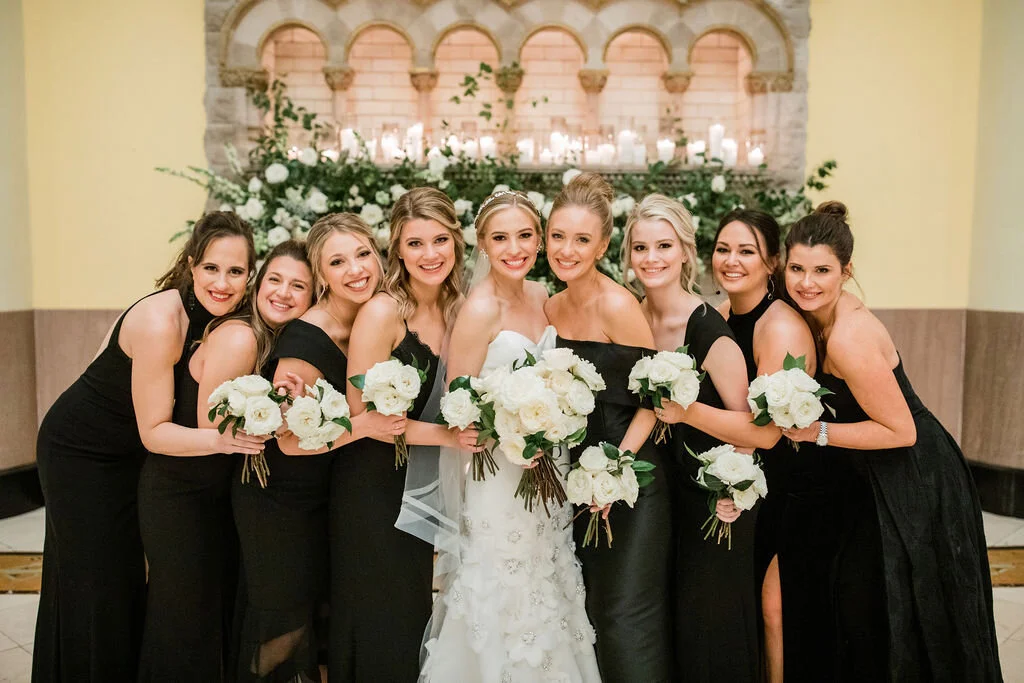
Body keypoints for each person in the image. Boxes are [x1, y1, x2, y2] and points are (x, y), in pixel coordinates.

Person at [781, 201, 1002, 682]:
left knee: (914, 608)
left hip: (914, 475)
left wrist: (813, 431)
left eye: (822, 270)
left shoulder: (848, 336)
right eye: (797, 268)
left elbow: (902, 431)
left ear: (846, 271)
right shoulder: (822, 312)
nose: (806, 282)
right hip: (881, 470)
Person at [33, 211, 258, 683]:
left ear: (249, 276)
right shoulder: (162, 320)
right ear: (192, 265)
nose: (222, 282)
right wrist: (224, 440)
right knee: (97, 582)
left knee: (125, 579)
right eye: (211, 268)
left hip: (130, 455)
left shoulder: (218, 316)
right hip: (82, 454)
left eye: (236, 271)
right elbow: (153, 431)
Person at [420, 189, 600, 683]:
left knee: (549, 572)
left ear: (540, 241)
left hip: (551, 468)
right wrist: (512, 428)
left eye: (524, 235)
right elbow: (460, 409)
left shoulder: (544, 298)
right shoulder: (479, 310)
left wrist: (554, 421)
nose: (513, 248)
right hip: (498, 475)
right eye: (500, 237)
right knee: (505, 577)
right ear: (481, 243)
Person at [232, 215, 403, 682]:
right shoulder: (305, 336)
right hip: (280, 500)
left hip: (328, 496)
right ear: (322, 275)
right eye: (337, 261)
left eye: (363, 254)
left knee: (317, 623)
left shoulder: (380, 316)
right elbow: (289, 444)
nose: (355, 270)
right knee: (284, 628)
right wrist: (364, 423)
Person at [137, 240, 314, 682]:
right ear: (257, 284)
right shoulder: (240, 335)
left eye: (299, 286)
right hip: (181, 495)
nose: (283, 293)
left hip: (214, 495)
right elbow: (217, 428)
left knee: (205, 622)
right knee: (182, 624)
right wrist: (287, 415)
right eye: (274, 279)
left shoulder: (270, 339)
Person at [624, 194, 759, 681]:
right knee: (670, 624)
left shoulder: (710, 331)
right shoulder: (632, 317)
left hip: (715, 500)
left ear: (685, 251)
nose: (652, 258)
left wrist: (734, 492)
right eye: (641, 247)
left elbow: (754, 433)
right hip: (661, 496)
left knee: (710, 628)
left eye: (664, 245)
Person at [544, 173, 672, 682]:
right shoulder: (551, 308)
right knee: (590, 613)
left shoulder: (618, 305)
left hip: (633, 473)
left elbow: (654, 400)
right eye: (558, 236)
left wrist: (616, 468)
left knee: (625, 616)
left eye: (581, 239)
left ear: (602, 245)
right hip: (576, 480)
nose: (566, 249)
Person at [335, 188, 466, 681]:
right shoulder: (383, 312)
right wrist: (452, 438)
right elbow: (361, 414)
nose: (429, 255)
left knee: (414, 615)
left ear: (456, 242)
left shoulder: (458, 308)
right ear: (397, 251)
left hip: (427, 483)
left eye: (439, 240)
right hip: (374, 485)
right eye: (415, 244)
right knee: (381, 618)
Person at [711, 209, 835, 682]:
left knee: (776, 612)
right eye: (724, 249)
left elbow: (765, 430)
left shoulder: (779, 326)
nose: (732, 260)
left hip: (797, 485)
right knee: (750, 607)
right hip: (758, 480)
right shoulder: (724, 315)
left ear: (772, 263)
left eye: (747, 251)